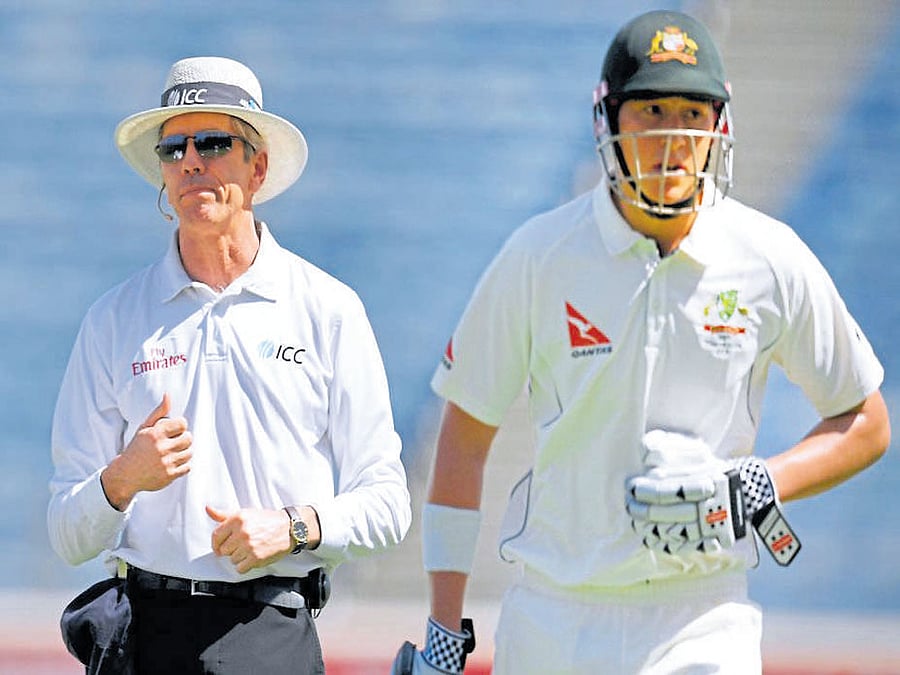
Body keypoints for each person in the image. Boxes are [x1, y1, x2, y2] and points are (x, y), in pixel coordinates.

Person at [393, 9, 890, 675]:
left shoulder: (768, 256)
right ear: (608, 121)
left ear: (719, 127)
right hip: (555, 615)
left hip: (702, 616)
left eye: (692, 113)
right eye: (651, 110)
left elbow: (865, 421)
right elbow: (464, 436)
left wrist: (757, 483)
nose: (672, 137)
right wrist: (443, 633)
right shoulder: (540, 256)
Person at [48, 56, 411, 674]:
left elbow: (388, 503)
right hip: (142, 638)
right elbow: (66, 532)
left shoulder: (327, 309)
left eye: (214, 142)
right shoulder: (112, 319)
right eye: (174, 148)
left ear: (258, 166)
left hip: (271, 631)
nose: (191, 161)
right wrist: (123, 479)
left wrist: (294, 529)